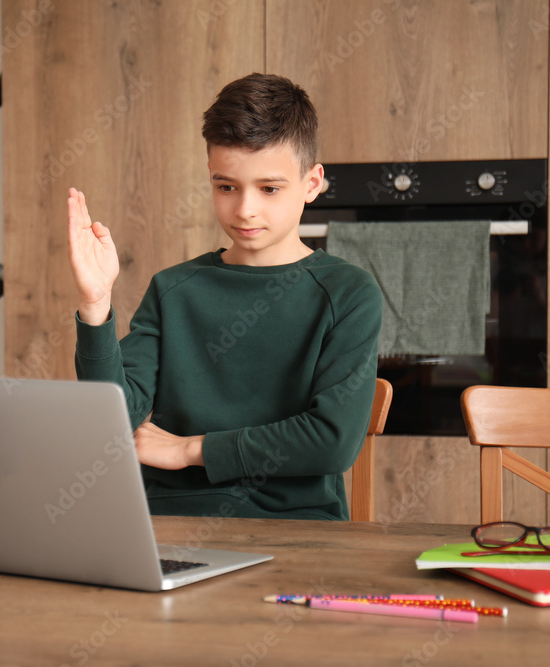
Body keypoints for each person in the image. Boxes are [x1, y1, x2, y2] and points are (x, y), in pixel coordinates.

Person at [66, 73, 382, 520]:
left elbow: (331, 441)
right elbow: (114, 419)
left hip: (299, 530)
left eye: (269, 189)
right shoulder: (173, 289)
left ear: (311, 184)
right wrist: (96, 306)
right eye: (226, 186)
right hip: (170, 521)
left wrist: (192, 450)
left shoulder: (348, 293)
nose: (244, 209)